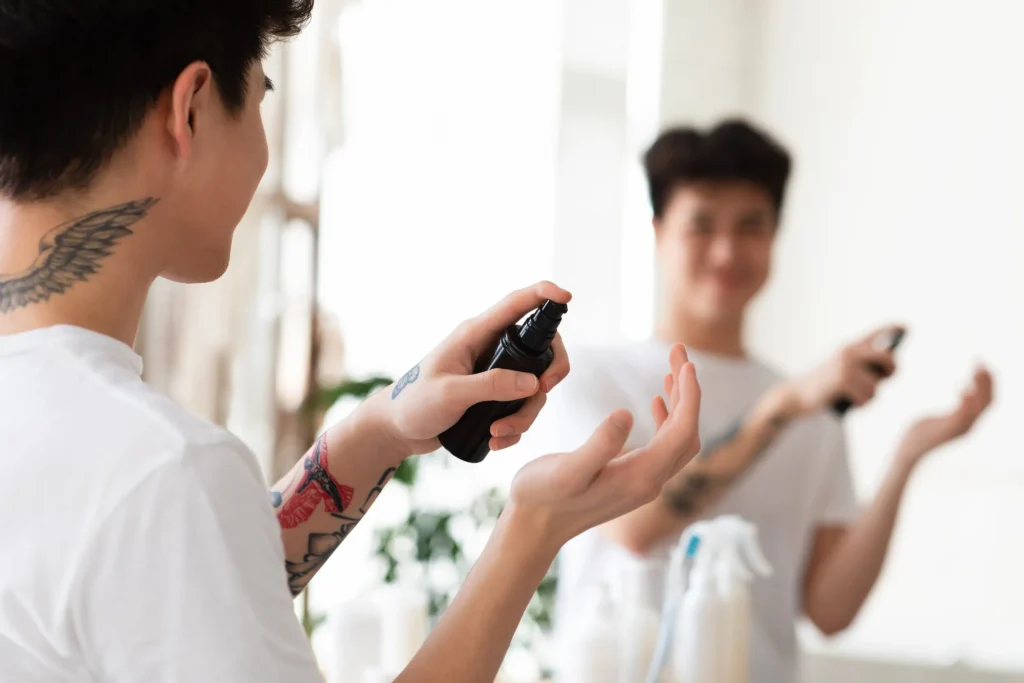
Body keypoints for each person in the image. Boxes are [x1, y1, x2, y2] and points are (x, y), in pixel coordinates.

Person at [0, 3, 704, 682]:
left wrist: (386, 427)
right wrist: (533, 529)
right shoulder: (161, 470)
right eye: (261, 97)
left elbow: (180, 584)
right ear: (190, 108)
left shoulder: (93, 453)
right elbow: (173, 539)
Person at [526, 119, 994, 683]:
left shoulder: (812, 406)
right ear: (657, 231)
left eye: (751, 226)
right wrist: (783, 408)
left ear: (775, 237)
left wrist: (905, 458)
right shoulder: (593, 374)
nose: (726, 251)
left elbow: (830, 610)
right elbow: (632, 531)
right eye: (701, 225)